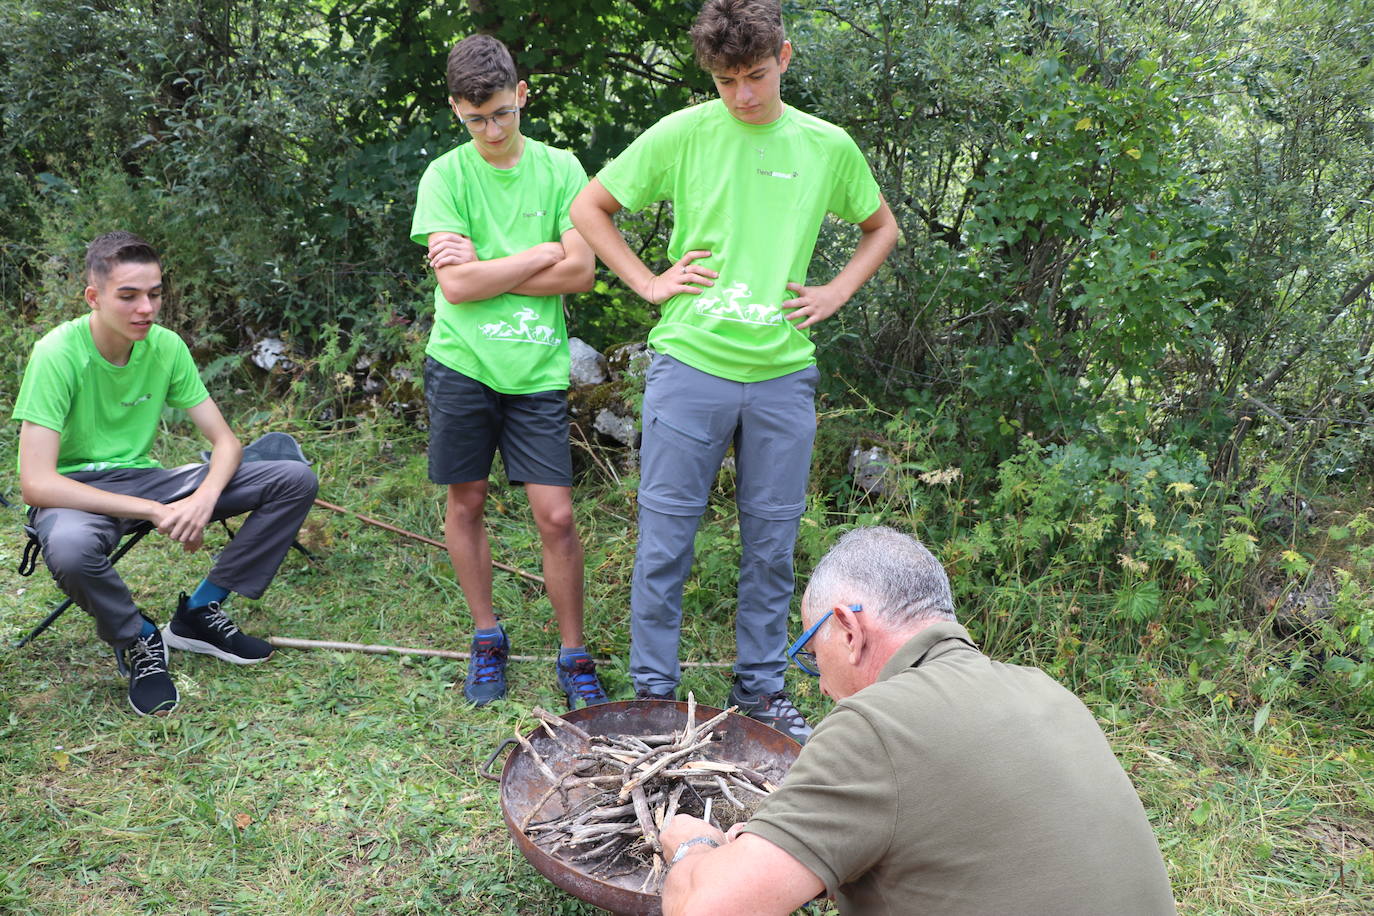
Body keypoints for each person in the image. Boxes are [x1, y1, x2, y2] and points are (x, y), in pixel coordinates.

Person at [570, 0, 897, 742]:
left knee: (773, 544)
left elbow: (881, 227)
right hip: (691, 365)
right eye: (725, 81)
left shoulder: (826, 145)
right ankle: (654, 697)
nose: (743, 95)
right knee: (666, 539)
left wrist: (836, 290)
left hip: (783, 374)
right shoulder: (684, 133)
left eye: (754, 76)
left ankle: (761, 693)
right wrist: (649, 283)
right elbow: (590, 206)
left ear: (784, 57)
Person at [656, 526, 1178, 914]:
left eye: (814, 654)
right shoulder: (1047, 691)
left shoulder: (876, 724)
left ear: (847, 629)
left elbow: (707, 909)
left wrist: (694, 846)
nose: (818, 683)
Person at [13, 231, 319, 717]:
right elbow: (38, 483)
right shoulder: (58, 353)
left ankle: (199, 613)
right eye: (129, 295)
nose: (146, 308)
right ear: (94, 297)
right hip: (73, 492)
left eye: (154, 294)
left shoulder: (165, 347)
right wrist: (157, 511)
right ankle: (138, 637)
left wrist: (201, 500)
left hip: (143, 478)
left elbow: (227, 443)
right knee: (71, 548)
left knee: (292, 479)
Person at [410, 34, 607, 709]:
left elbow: (581, 271)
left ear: (521, 95)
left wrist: (488, 267)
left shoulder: (561, 169)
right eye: (475, 118)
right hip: (462, 365)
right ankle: (487, 635)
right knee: (465, 501)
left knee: (555, 517)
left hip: (537, 372)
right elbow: (458, 291)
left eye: (501, 113)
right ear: (455, 111)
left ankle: (573, 651)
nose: (491, 130)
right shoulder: (446, 176)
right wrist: (539, 253)